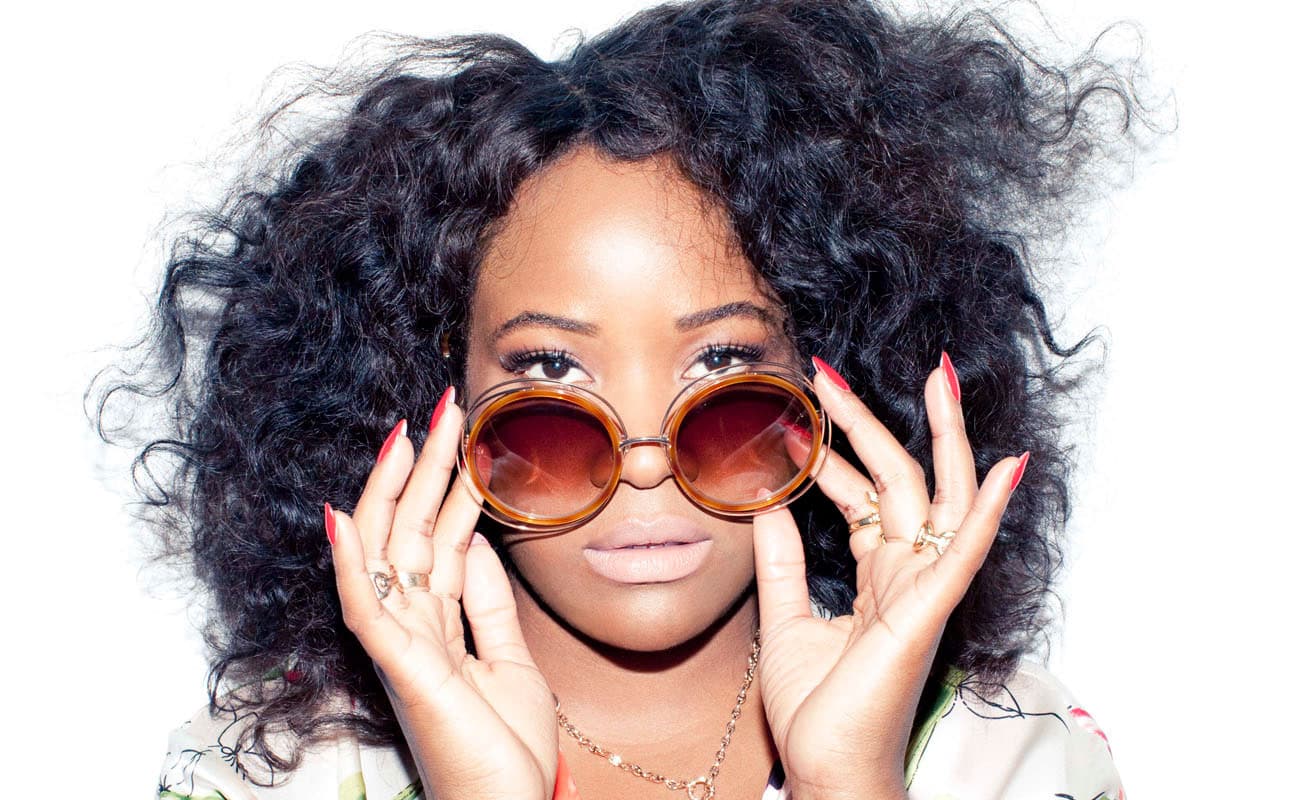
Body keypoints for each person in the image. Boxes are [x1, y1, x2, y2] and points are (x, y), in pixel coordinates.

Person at [113, 0, 1143, 797]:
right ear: (436, 395)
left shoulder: (1009, 758)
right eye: (551, 372)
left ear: (829, 377)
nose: (645, 461)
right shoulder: (273, 772)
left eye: (720, 363)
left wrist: (849, 780)